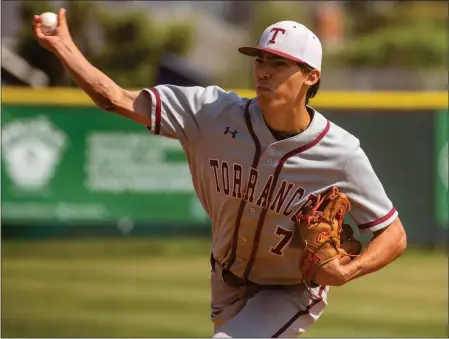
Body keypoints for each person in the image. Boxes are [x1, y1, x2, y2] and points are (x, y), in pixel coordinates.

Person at [32, 9, 407, 338]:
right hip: (224, 279)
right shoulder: (210, 112)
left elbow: (393, 234)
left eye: (279, 64)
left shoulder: (340, 152)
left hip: (291, 290)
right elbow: (115, 99)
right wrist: (64, 47)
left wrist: (349, 271)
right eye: (260, 61)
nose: (263, 72)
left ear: (310, 76)